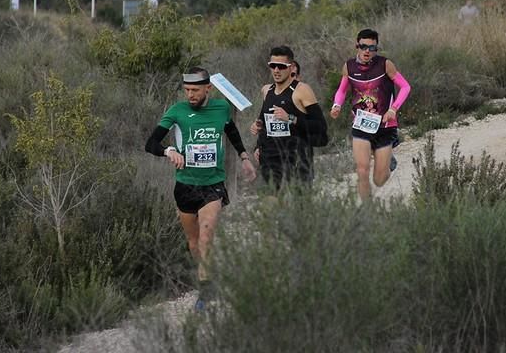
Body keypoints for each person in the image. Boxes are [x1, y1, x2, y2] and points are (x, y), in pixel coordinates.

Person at [145, 67, 256, 310]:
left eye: (195, 90)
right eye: (187, 90)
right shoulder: (177, 111)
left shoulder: (221, 109)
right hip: (185, 185)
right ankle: (207, 278)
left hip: (213, 184)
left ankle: (205, 292)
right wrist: (168, 150)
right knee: (193, 242)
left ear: (208, 88)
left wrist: (244, 156)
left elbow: (231, 130)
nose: (190, 95)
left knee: (206, 234)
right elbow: (151, 143)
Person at [330, 29, 411, 200]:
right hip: (361, 124)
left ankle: (388, 161)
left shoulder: (385, 64)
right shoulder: (349, 66)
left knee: (379, 179)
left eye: (372, 48)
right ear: (357, 46)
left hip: (385, 124)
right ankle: (366, 210)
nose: (367, 51)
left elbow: (405, 87)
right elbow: (342, 90)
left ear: (376, 48)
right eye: (363, 46)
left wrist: (393, 109)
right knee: (362, 170)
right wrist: (336, 105)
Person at [250, 46, 328, 191]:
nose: (276, 70)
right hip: (270, 161)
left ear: (291, 67)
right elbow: (265, 122)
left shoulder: (302, 90)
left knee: (298, 211)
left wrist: (291, 118)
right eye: (273, 66)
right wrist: (258, 132)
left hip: (296, 162)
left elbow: (321, 126)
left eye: (281, 66)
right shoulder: (267, 90)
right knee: (272, 209)